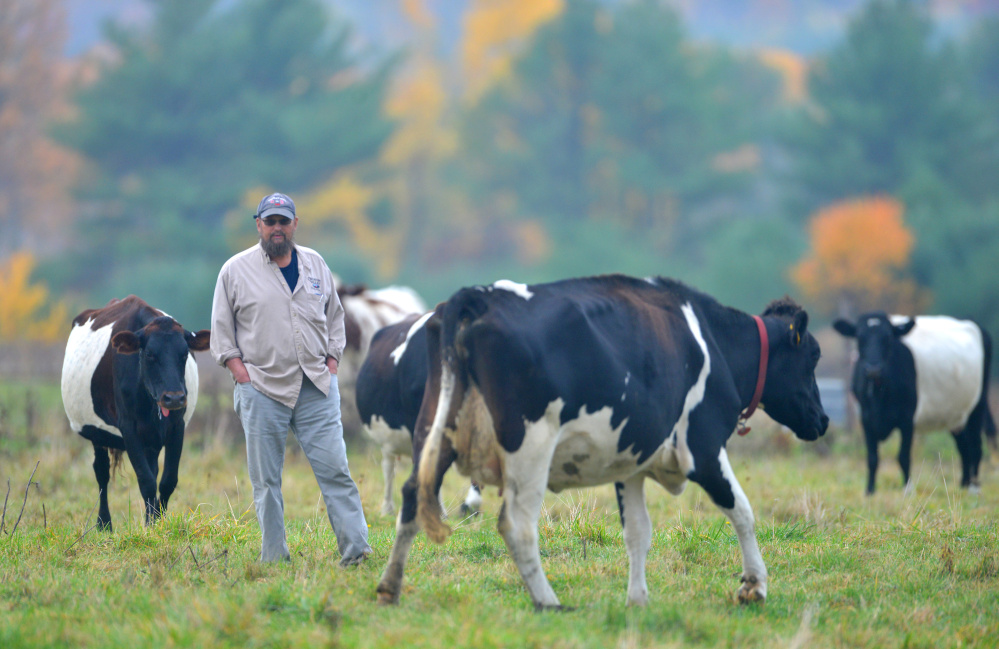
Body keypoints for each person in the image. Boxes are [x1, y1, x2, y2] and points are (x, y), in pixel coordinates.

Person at [210, 191, 372, 565]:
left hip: (316, 385)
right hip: (262, 388)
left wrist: (332, 361)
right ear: (258, 225)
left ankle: (357, 551)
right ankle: (274, 558)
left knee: (336, 471)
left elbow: (336, 318)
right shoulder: (234, 271)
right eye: (270, 221)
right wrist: (241, 374)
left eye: (284, 221)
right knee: (266, 482)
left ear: (295, 224)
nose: (277, 228)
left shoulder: (316, 265)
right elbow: (221, 334)